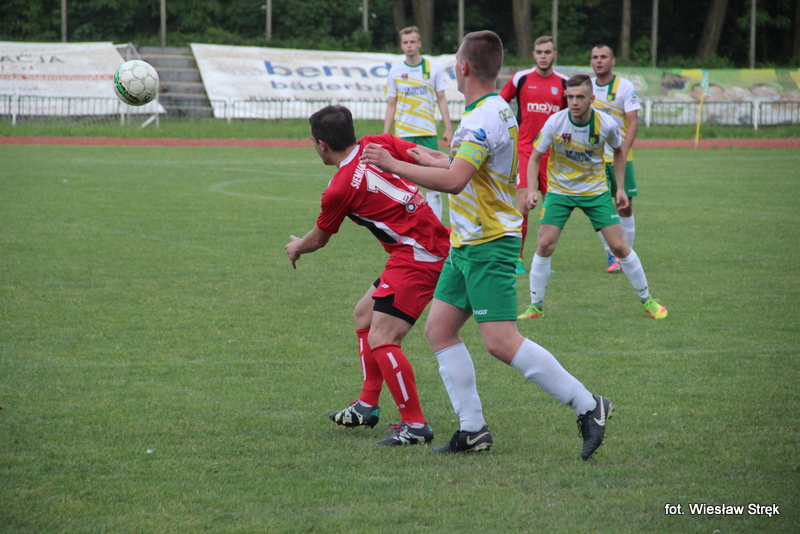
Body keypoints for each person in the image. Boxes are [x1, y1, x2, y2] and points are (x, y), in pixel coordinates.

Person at [361, 31, 613, 460]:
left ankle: (589, 405)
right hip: (466, 243)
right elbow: (472, 167)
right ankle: (472, 429)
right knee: (440, 330)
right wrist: (433, 158)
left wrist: (394, 163)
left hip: (489, 242)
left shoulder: (481, 117)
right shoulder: (494, 109)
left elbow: (456, 181)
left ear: (463, 68)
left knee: (500, 341)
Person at [285, 105, 451, 446]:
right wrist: (451, 163)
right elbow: (429, 156)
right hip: (422, 246)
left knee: (383, 337)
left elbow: (319, 238)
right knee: (364, 313)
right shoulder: (378, 143)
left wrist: (296, 247)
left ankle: (415, 424)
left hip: (419, 255)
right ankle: (366, 404)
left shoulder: (338, 189)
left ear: (321, 145)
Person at [518, 74, 668, 321]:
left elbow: (619, 151)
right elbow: (535, 157)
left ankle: (648, 300)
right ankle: (535, 307)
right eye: (570, 97)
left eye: (580, 97)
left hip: (595, 191)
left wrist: (620, 188)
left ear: (592, 98)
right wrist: (532, 190)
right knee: (544, 244)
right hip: (560, 191)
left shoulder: (606, 124)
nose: (574, 102)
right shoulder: (555, 122)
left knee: (619, 246)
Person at [499, 35, 568, 277]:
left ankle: (543, 260)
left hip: (553, 154)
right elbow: (499, 103)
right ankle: (517, 258)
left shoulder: (564, 83)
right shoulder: (521, 78)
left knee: (552, 207)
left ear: (554, 54)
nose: (543, 56)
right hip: (526, 150)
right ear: (533, 54)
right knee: (522, 203)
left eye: (547, 52)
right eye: (539, 52)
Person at [384, 26, 454, 221]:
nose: (409, 45)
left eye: (412, 42)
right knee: (405, 183)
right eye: (405, 42)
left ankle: (436, 225)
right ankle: (409, 224)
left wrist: (448, 128)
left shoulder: (433, 68)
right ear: (401, 45)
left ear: (419, 44)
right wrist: (386, 133)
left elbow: (441, 99)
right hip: (404, 135)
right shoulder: (395, 72)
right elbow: (391, 103)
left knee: (433, 183)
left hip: (427, 133)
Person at [590, 44, 640, 273]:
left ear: (613, 61)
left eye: (604, 57)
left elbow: (633, 121)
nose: (599, 61)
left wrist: (623, 151)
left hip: (621, 157)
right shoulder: (587, 87)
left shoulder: (625, 87)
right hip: (595, 160)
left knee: (625, 207)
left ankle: (626, 254)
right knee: (601, 208)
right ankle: (612, 255)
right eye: (595, 57)